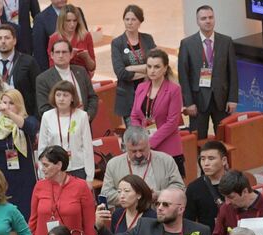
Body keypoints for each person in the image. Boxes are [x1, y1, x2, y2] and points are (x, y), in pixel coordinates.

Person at [178, 4, 237, 138]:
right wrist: (188, 103)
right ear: (197, 21)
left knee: (224, 138)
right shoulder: (187, 44)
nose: (208, 21)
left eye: (210, 17)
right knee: (198, 139)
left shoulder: (226, 41)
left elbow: (233, 72)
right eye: (203, 18)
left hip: (221, 100)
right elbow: (183, 75)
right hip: (197, 101)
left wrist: (233, 99)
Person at [130, 51, 185, 174]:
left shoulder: (174, 90)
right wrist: (142, 138)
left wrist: (150, 142)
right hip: (145, 147)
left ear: (165, 68)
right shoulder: (141, 87)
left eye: (157, 67)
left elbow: (172, 122)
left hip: (168, 147)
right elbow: (134, 116)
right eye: (149, 67)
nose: (152, 71)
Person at [101, 126, 184, 195]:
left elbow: (179, 187)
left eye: (142, 150)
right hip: (127, 212)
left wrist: (159, 195)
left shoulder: (166, 160)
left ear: (149, 144)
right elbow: (106, 193)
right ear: (125, 148)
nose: (138, 155)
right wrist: (129, 197)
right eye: (133, 151)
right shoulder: (113, 165)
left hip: (159, 211)